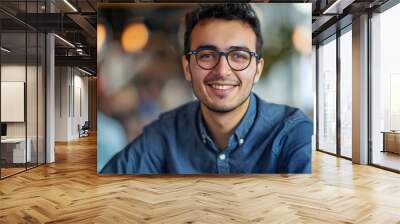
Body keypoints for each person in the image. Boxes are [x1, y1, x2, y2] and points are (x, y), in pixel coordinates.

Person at [101, 3, 313, 174]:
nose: (222, 71)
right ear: (187, 68)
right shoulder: (165, 134)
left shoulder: (291, 133)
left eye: (238, 56)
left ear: (257, 70)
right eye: (207, 56)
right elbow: (105, 192)